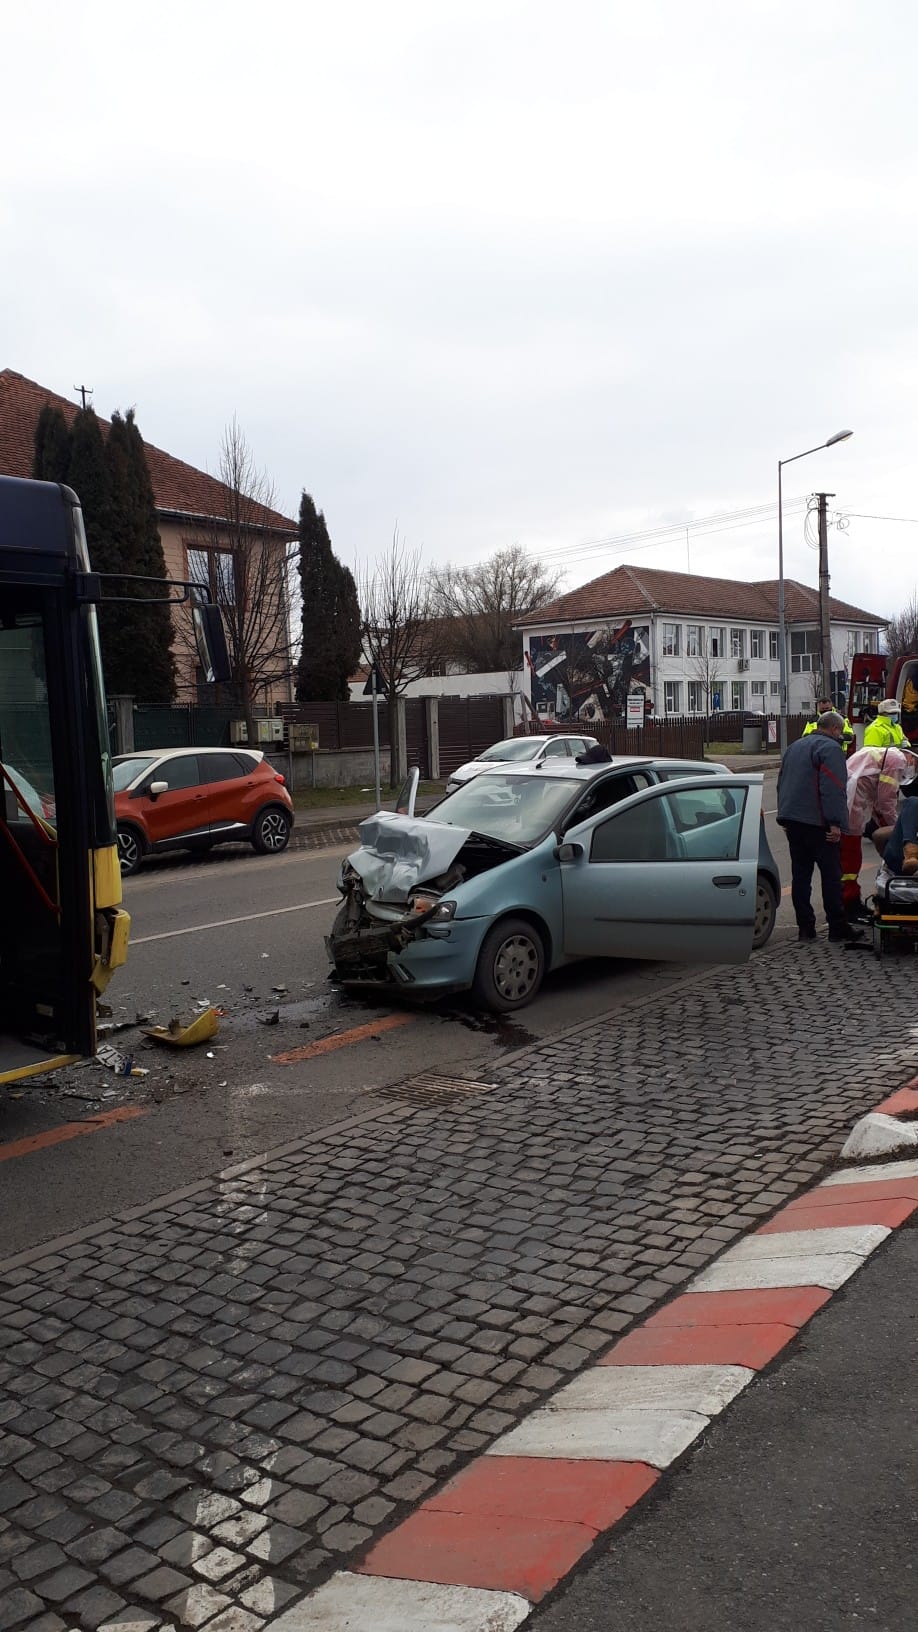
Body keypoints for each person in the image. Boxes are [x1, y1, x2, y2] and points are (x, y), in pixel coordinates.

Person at [777, 711, 861, 943]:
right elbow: (833, 787)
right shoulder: (831, 749)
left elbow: (782, 782)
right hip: (819, 823)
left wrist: (785, 817)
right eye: (841, 730)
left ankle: (805, 928)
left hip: (794, 821)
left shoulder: (795, 747)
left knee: (801, 876)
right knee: (831, 876)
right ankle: (837, 927)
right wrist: (834, 823)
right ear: (834, 729)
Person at [841, 747, 916, 920]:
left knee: (847, 858)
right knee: (850, 858)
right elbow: (885, 802)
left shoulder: (887, 756)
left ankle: (847, 900)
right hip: (851, 804)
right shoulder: (896, 760)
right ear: (911, 758)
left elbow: (879, 803)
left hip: (850, 799)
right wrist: (899, 829)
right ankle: (848, 902)